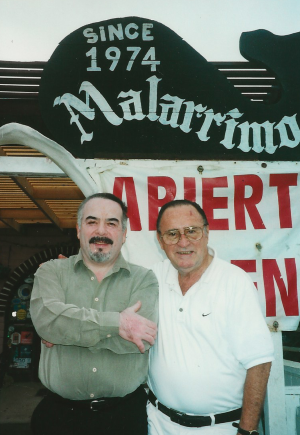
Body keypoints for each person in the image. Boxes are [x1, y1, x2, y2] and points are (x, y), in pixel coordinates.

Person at [30, 193, 159, 435]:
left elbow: (139, 341)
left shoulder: (144, 279)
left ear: (124, 232)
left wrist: (68, 331)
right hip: (58, 418)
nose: (101, 231)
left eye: (111, 223)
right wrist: (118, 324)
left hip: (124, 419)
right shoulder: (50, 272)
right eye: (91, 222)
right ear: (79, 230)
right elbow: (48, 321)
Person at [147, 199, 274, 435]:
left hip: (221, 428)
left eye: (192, 231)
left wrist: (247, 431)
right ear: (160, 240)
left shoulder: (235, 282)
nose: (183, 242)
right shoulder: (152, 278)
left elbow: (260, 362)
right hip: (158, 424)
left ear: (206, 232)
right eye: (172, 234)